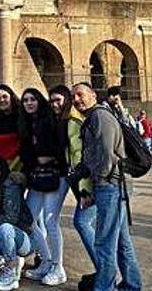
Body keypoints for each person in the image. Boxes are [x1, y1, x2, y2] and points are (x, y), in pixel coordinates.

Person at [69, 83, 142, 291]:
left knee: (104, 243)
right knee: (120, 242)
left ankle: (105, 288)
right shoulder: (93, 118)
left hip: (110, 186)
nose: (76, 100)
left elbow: (106, 156)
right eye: (73, 96)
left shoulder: (100, 117)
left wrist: (94, 185)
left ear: (93, 95)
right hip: (112, 184)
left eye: (80, 95)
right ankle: (131, 285)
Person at [20, 88, 69, 286]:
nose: (29, 103)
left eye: (32, 99)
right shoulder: (26, 124)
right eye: (25, 100)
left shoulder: (50, 120)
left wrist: (44, 158)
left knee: (50, 221)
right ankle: (46, 261)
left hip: (56, 175)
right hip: (38, 177)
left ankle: (59, 267)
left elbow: (61, 147)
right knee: (29, 220)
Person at [51, 85, 96, 289]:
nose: (55, 104)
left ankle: (105, 271)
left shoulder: (73, 122)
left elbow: (79, 156)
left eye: (59, 100)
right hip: (79, 181)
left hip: (87, 183)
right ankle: (105, 270)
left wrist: (85, 190)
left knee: (82, 222)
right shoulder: (65, 120)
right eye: (52, 101)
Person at [0, 158, 33, 291]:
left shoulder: (10, 186)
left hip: (23, 239)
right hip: (0, 238)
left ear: (3, 171)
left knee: (5, 228)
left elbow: (11, 218)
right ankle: (4, 261)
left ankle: (10, 270)